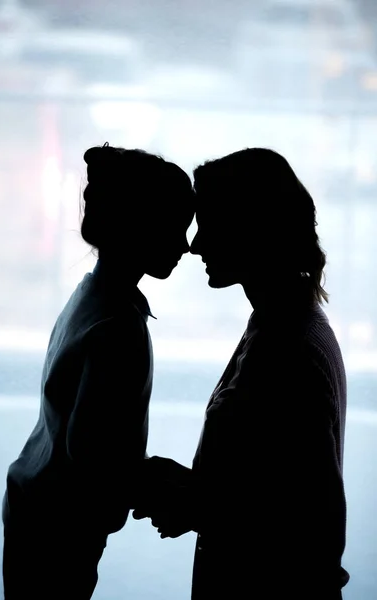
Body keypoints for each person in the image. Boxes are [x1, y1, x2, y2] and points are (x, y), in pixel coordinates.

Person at [133, 148, 350, 600]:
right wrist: (192, 492)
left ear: (251, 228)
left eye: (209, 223)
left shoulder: (288, 350)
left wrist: (192, 502)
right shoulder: (289, 323)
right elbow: (275, 485)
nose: (194, 244)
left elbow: (304, 521)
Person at [2, 143, 195, 600]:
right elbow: (93, 457)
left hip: (34, 511)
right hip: (60, 533)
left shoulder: (90, 298)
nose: (186, 245)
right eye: (176, 227)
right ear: (140, 226)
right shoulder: (120, 327)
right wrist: (160, 487)